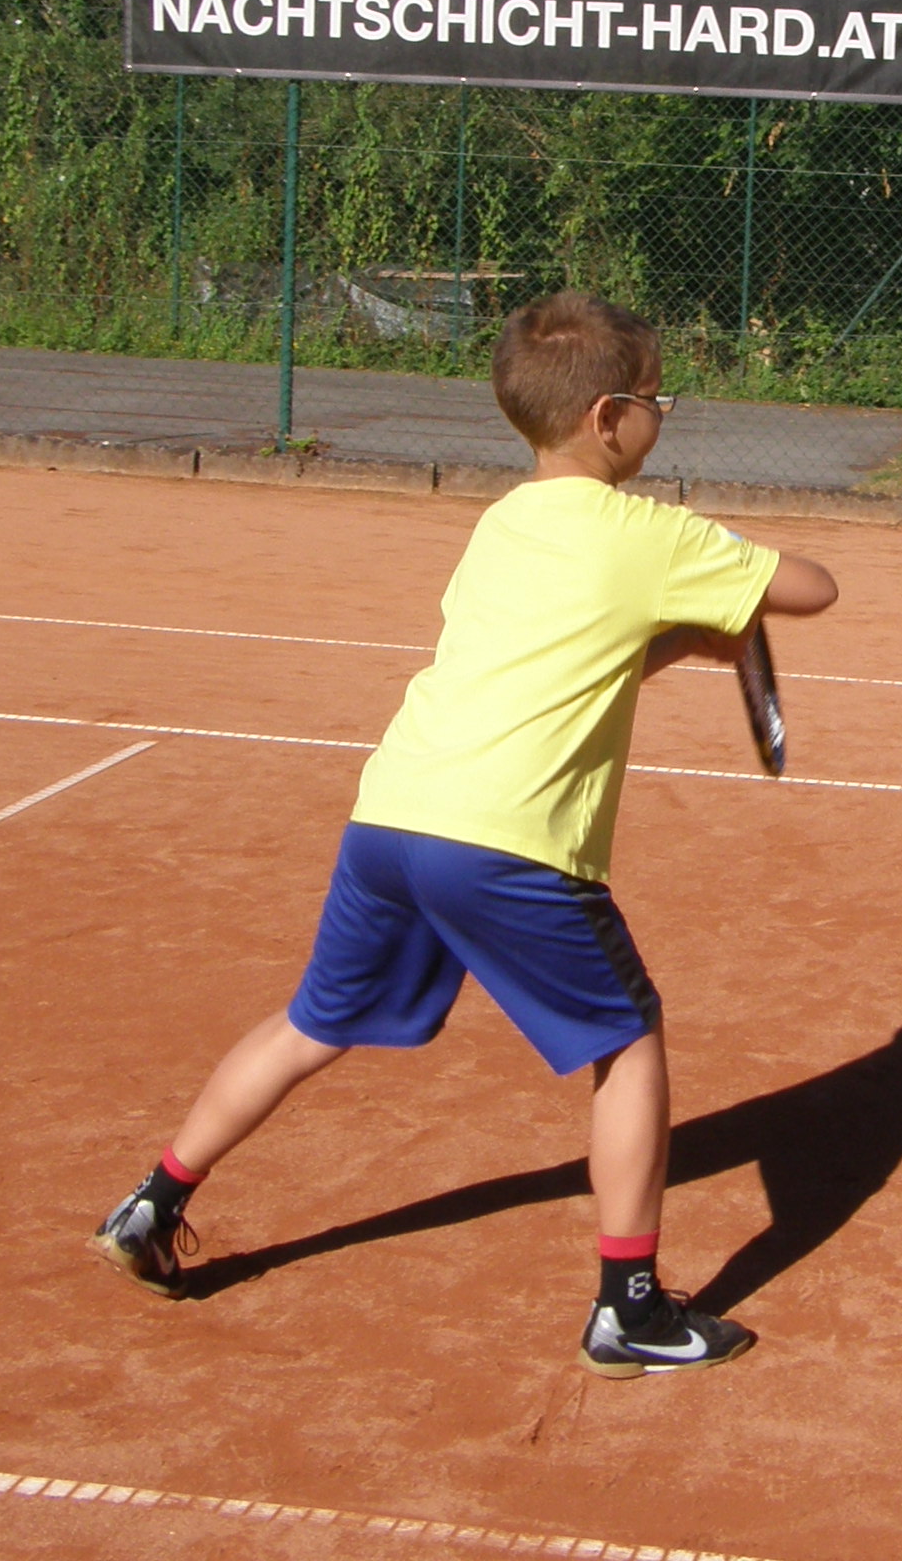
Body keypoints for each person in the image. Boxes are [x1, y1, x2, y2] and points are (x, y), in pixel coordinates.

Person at [90, 288, 840, 1376]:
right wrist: (724, 578)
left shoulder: (501, 525)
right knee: (628, 1043)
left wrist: (688, 639)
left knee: (312, 1024)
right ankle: (629, 1309)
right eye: (657, 398)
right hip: (509, 844)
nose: (663, 415)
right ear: (608, 419)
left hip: (394, 818)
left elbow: (575, 658)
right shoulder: (648, 531)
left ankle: (153, 1203)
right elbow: (814, 588)